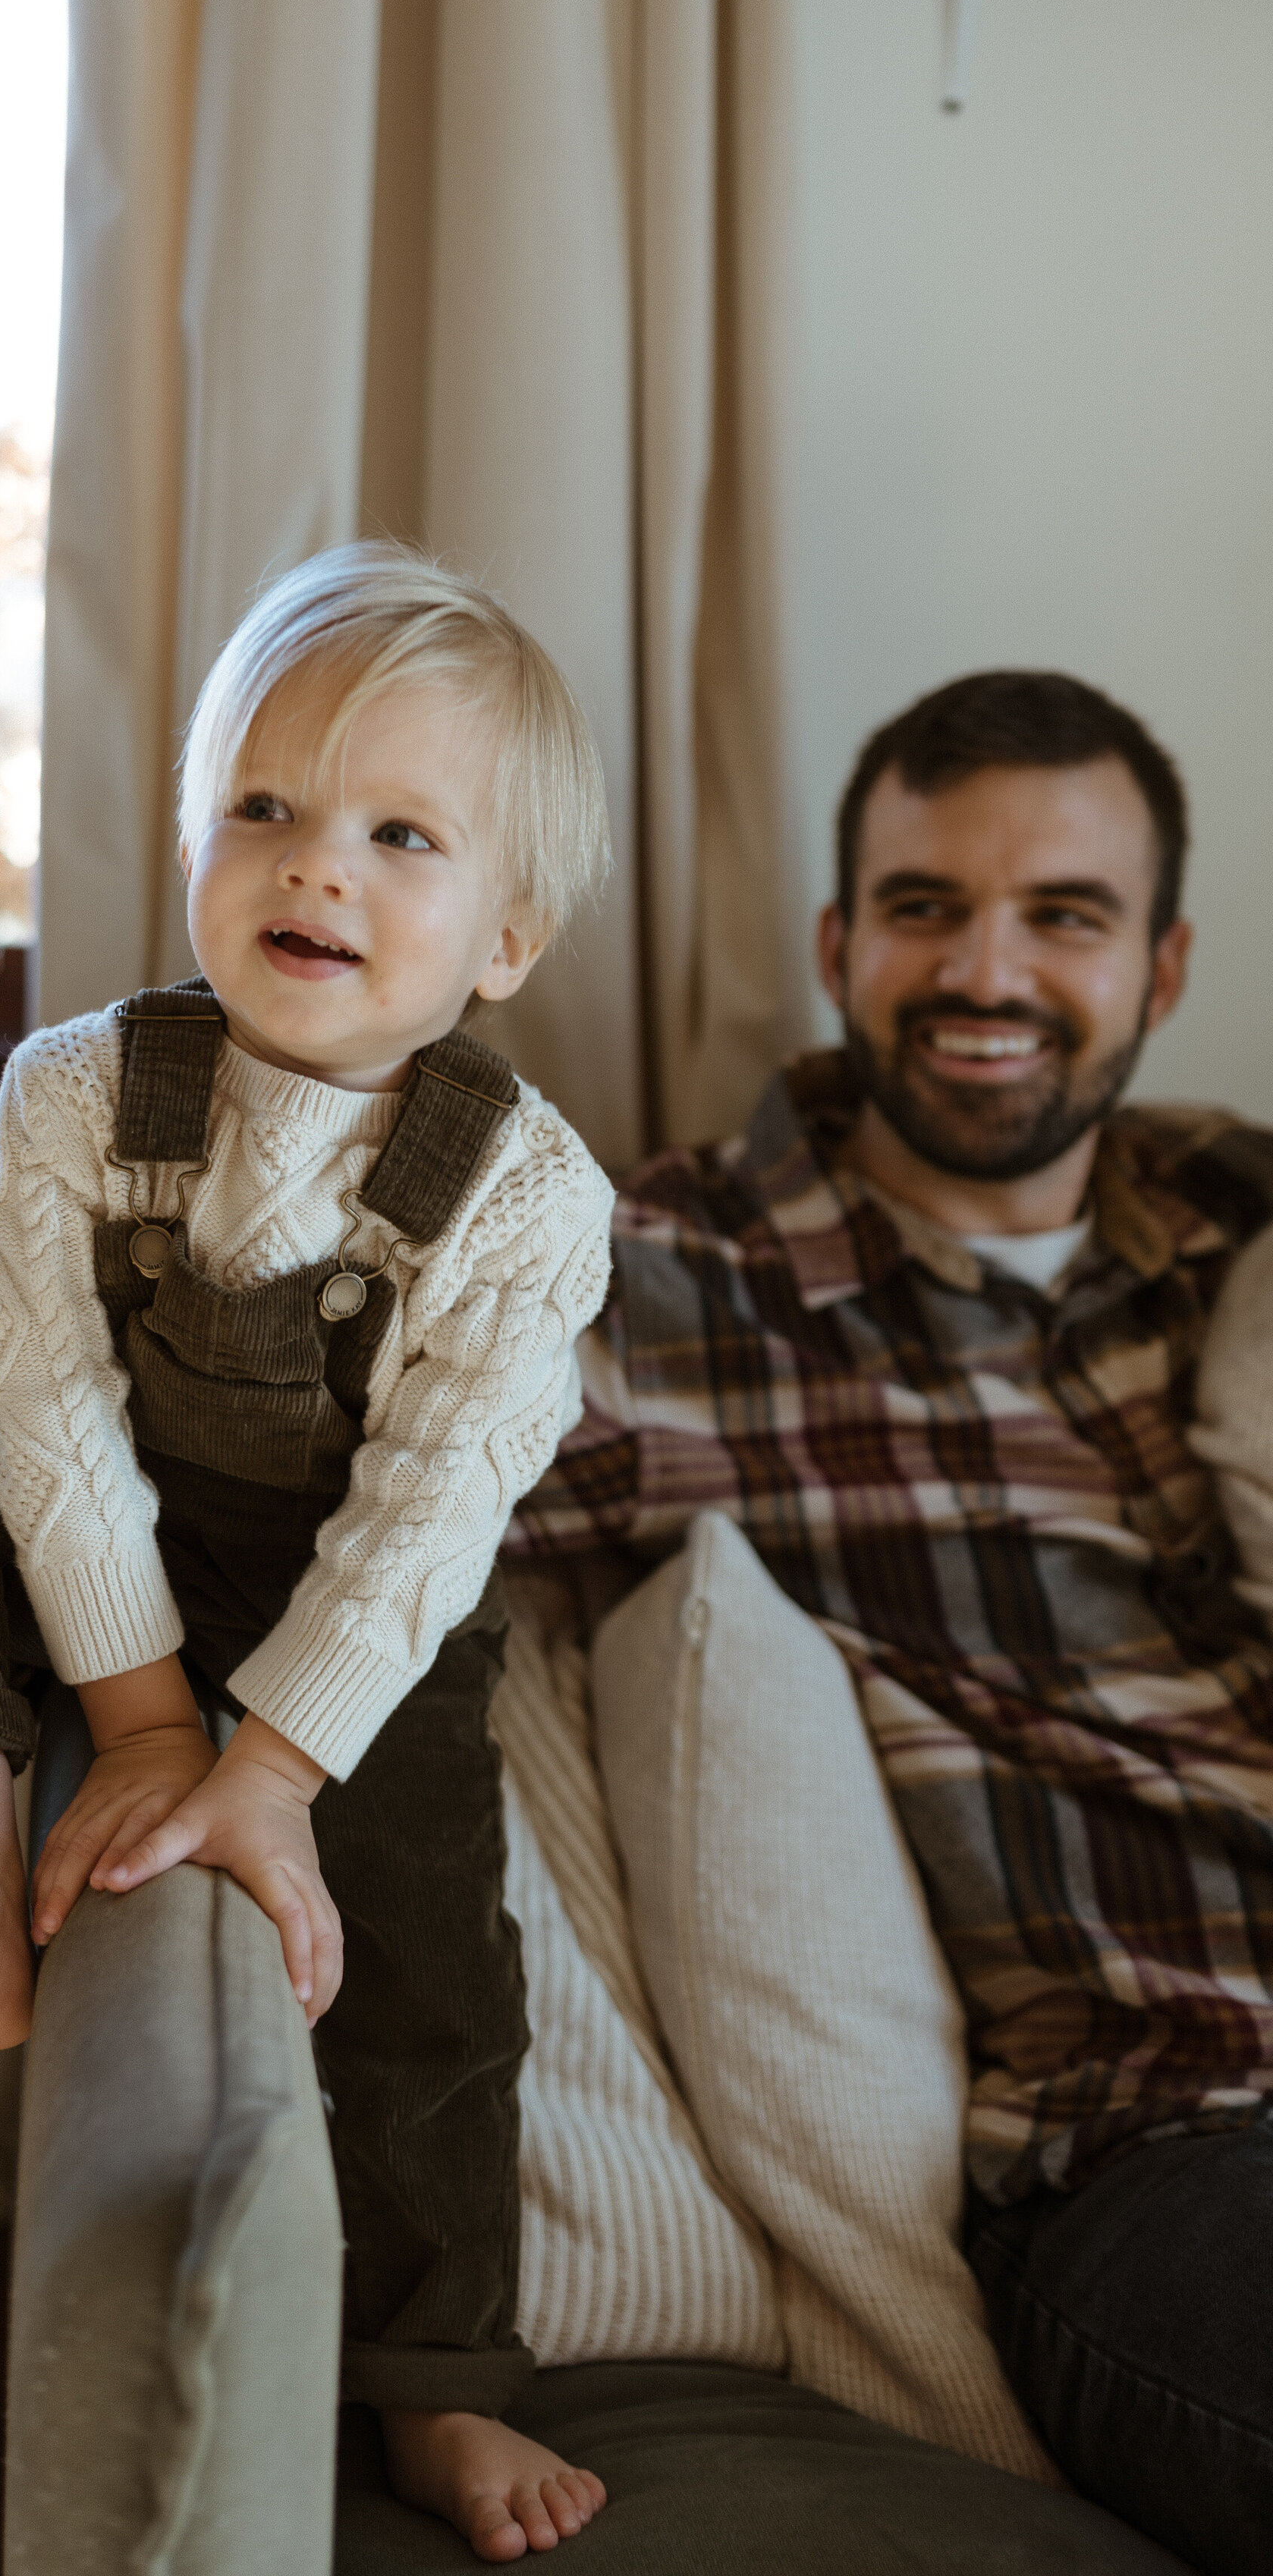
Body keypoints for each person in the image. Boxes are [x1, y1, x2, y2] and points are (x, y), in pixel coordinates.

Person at [0, 545, 618, 2565]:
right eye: (262, 810)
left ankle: (440, 2377)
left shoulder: (527, 1200)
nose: (315, 868)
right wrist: (142, 1724)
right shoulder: (80, 1091)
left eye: (398, 833)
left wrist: (264, 1768)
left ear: (507, 932)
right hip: (102, 1547)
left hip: (356, 1603)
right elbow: (55, 1429)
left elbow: (438, 1510)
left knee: (438, 1960)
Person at [510, 668, 1273, 2576]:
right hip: (1161, 2152)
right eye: (927, 908)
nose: (987, 974)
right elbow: (213, 1518)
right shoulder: (651, 1290)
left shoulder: (1240, 1212)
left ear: (1165, 966)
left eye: (1065, 916)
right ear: (843, 944)